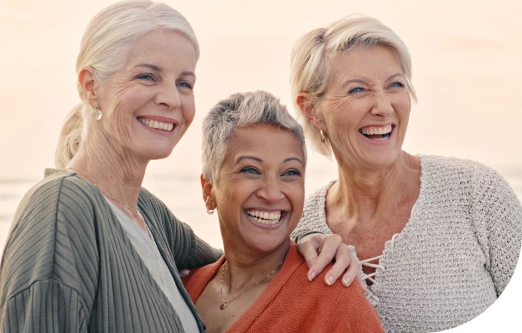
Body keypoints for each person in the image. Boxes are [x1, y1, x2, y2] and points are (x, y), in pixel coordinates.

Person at [0, 1, 359, 332]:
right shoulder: (61, 207)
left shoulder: (148, 214)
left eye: (184, 82)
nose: (171, 98)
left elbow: (241, 264)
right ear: (91, 87)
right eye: (147, 76)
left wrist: (308, 240)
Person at [289, 14, 522, 332]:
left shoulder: (478, 194)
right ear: (312, 110)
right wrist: (297, 240)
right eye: (358, 90)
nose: (383, 106)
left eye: (395, 85)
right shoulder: (298, 231)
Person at [182, 90, 383, 333]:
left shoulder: (333, 299)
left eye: (290, 173)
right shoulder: (183, 288)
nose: (272, 193)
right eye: (251, 170)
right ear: (209, 190)